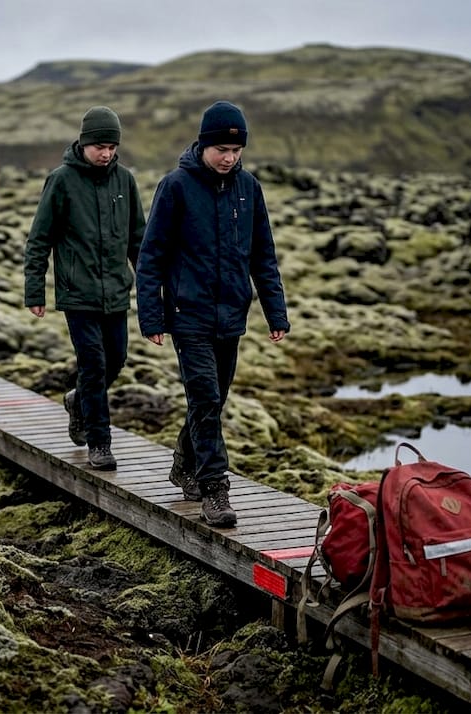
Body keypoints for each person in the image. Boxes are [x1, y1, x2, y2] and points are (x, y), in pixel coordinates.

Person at [135, 100, 289, 527]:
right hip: (189, 314)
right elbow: (152, 258)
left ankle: (184, 462)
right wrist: (152, 317)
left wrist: (276, 313)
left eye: (236, 151)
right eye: (221, 149)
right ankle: (214, 490)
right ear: (204, 144)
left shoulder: (249, 188)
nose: (229, 157)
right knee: (204, 397)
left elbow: (263, 256)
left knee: (213, 401)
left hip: (231, 315)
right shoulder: (176, 186)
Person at [24, 106, 147, 471]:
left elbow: (138, 240)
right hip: (78, 293)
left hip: (116, 293)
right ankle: (99, 442)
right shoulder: (60, 180)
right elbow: (39, 239)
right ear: (84, 142)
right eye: (99, 146)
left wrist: (153, 287)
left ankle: (79, 401)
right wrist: (35, 291)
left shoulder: (125, 180)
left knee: (117, 359)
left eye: (111, 146)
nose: (106, 153)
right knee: (93, 364)